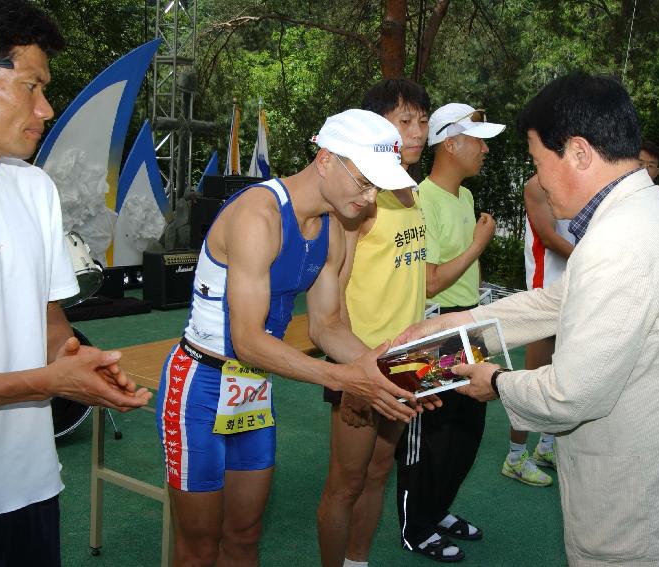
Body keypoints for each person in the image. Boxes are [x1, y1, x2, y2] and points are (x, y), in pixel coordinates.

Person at [397, 71, 659, 567]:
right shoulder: (640, 216)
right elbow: (555, 303)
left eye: (537, 162)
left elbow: (570, 395)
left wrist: (494, 380)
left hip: (644, 525)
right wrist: (457, 323)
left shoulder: (620, 244)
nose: (536, 180)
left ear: (578, 153)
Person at [156, 108, 421, 567]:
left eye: (377, 184)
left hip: (253, 389)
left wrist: (392, 373)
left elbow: (328, 326)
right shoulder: (258, 215)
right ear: (325, 159)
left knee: (244, 536)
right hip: (199, 386)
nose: (371, 195)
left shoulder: (334, 225)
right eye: (363, 180)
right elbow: (247, 340)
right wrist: (345, 379)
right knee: (197, 548)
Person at [0, 1, 152, 564]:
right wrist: (52, 379)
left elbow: (45, 318)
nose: (45, 107)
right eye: (29, 86)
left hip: (28, 485)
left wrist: (76, 359)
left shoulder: (34, 189)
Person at [317, 78, 433, 567]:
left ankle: (357, 562)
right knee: (346, 483)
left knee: (381, 470)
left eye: (423, 120)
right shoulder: (359, 199)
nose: (418, 131)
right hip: (361, 362)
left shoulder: (410, 190)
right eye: (404, 120)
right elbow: (332, 297)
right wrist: (356, 375)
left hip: (407, 360)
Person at [395, 102, 504, 562]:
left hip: (469, 322)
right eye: (477, 140)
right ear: (451, 143)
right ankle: (415, 527)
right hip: (435, 328)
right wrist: (479, 245)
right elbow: (431, 280)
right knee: (428, 435)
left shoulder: (464, 197)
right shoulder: (423, 200)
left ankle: (437, 510)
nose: (484, 150)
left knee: (466, 430)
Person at [502, 173, 574, 487]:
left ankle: (546, 447)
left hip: (575, 291)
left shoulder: (580, 179)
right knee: (531, 380)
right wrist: (597, 260)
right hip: (545, 295)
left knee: (563, 377)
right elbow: (547, 236)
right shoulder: (537, 184)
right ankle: (515, 457)